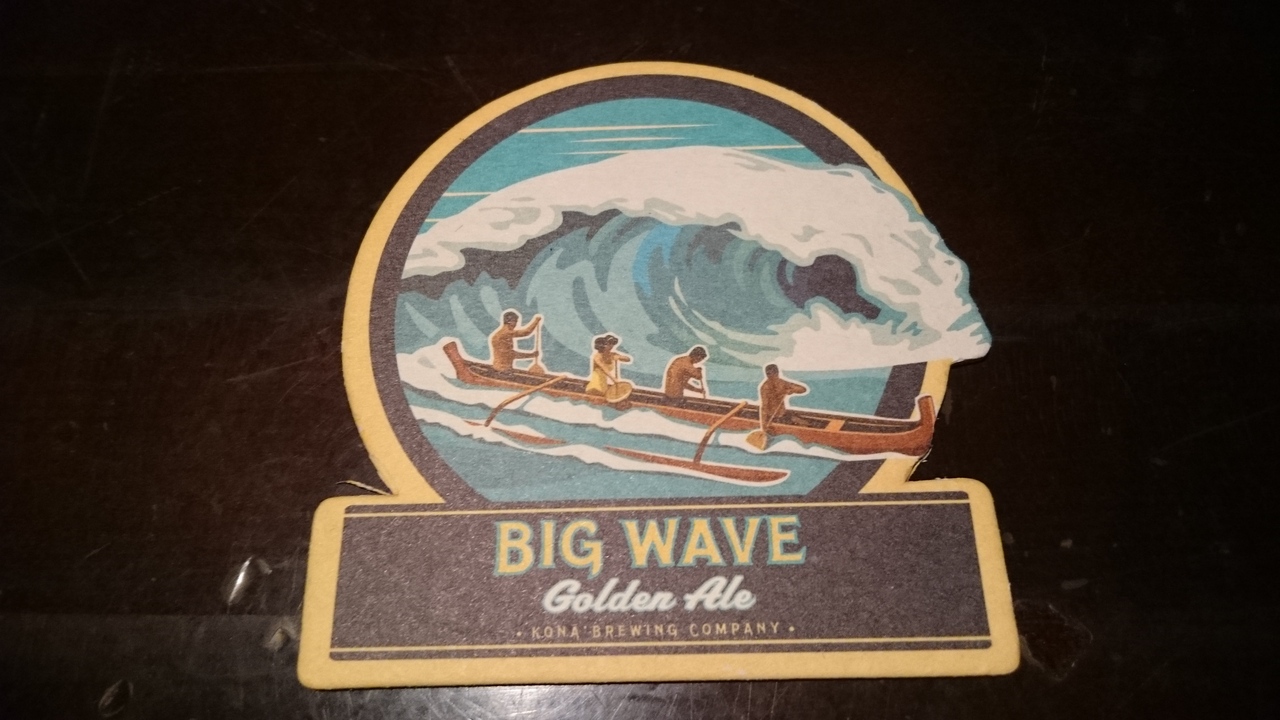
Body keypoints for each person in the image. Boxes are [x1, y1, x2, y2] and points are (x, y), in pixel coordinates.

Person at [757, 364, 807, 433]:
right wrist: (763, 426)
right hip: (771, 417)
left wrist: (791, 390)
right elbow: (764, 407)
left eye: (772, 374)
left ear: (777, 373)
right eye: (768, 374)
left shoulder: (782, 383)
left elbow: (803, 389)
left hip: (783, 414)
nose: (770, 377)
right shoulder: (765, 388)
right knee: (800, 422)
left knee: (804, 422)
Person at [585, 334, 632, 401]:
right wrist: (614, 379)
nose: (611, 346)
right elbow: (605, 369)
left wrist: (619, 357)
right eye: (609, 344)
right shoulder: (597, 357)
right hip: (595, 385)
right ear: (603, 345)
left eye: (612, 344)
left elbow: (628, 359)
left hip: (604, 385)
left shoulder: (612, 354)